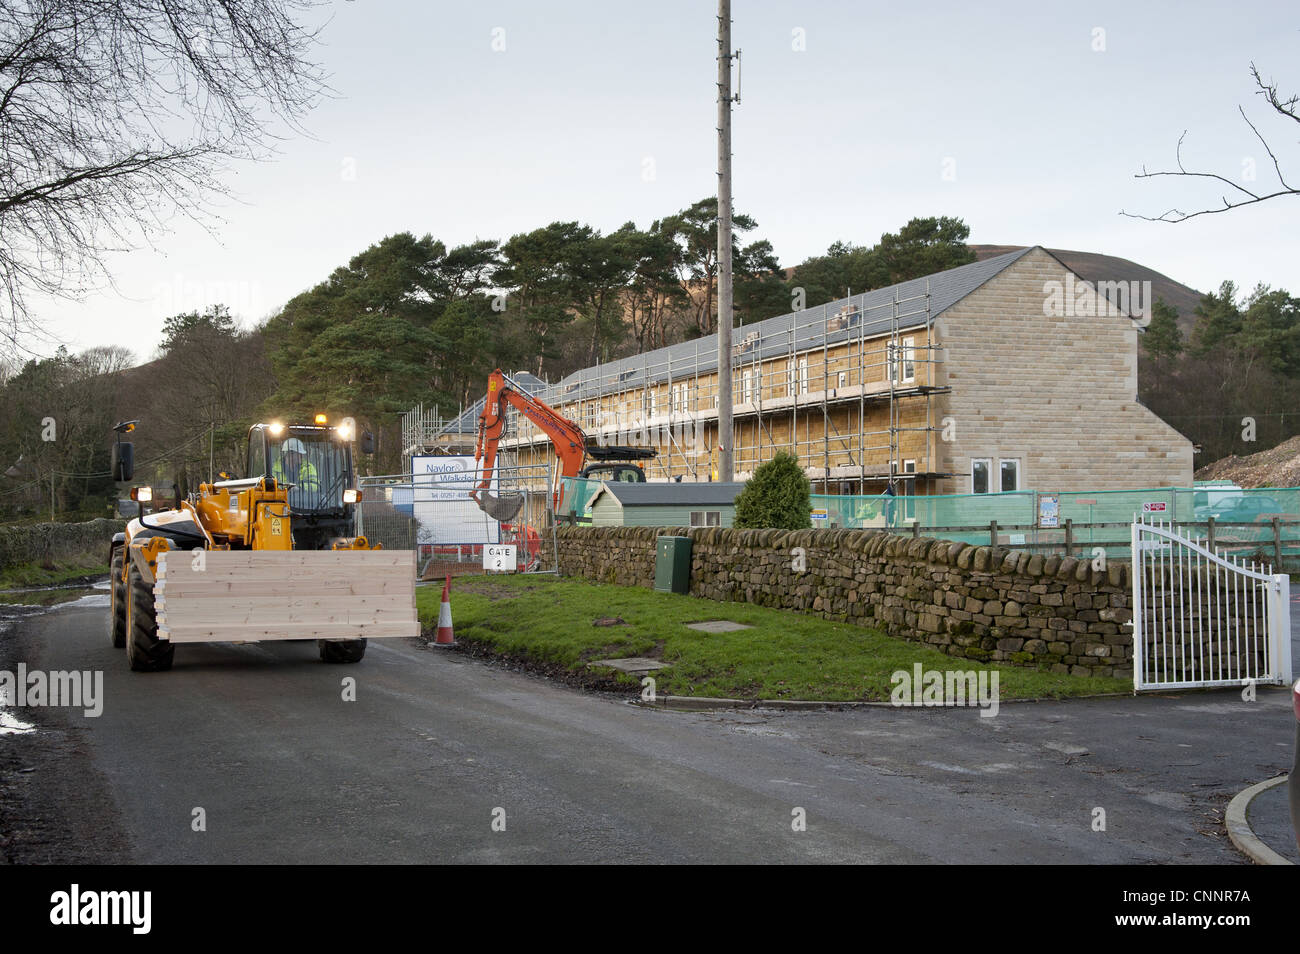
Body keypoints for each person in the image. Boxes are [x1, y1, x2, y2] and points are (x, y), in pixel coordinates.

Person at [272, 437, 320, 501]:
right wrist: (286, 489)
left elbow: (315, 485)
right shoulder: (275, 469)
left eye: (300, 454)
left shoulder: (308, 467)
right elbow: (271, 487)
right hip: (281, 504)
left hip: (304, 503)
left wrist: (300, 487)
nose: (301, 457)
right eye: (298, 454)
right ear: (288, 455)